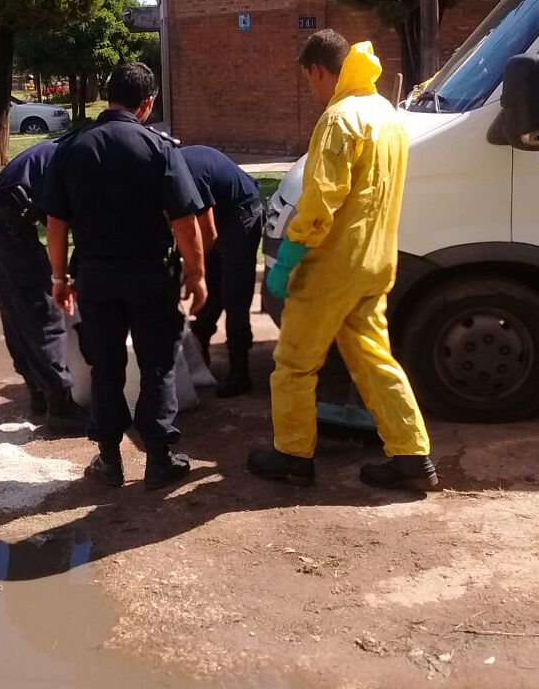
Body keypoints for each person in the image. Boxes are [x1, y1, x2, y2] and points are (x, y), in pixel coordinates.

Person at [247, 30, 437, 491]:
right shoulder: (386, 115)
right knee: (374, 360)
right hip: (376, 262)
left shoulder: (338, 119)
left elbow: (319, 203)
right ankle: (412, 455)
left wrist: (288, 258)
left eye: (308, 81)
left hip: (332, 267)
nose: (311, 91)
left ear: (317, 70)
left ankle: (293, 456)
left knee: (294, 362)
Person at [41, 62, 209, 492]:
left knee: (105, 365)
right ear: (147, 103)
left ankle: (110, 459)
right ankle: (159, 460)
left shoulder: (72, 148)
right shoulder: (159, 148)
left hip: (96, 277)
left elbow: (56, 224)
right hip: (150, 275)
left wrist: (59, 278)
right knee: (157, 364)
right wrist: (196, 274)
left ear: (108, 95)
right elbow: (185, 222)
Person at [0, 140, 86, 433]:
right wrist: (65, 277)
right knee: (43, 310)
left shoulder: (64, 149)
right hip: (9, 227)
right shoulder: (78, 160)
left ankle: (38, 392)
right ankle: (60, 407)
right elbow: (63, 224)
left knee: (16, 308)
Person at [180, 144, 264, 398]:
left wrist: (192, 269)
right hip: (219, 212)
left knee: (234, 294)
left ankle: (240, 373)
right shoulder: (168, 173)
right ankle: (200, 355)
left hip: (242, 215)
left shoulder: (187, 176)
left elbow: (208, 235)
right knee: (212, 287)